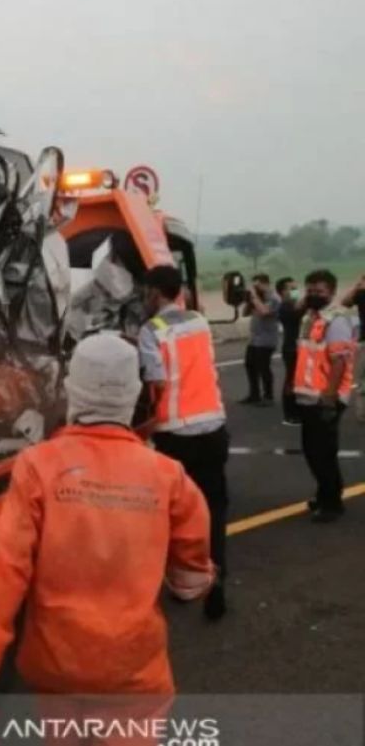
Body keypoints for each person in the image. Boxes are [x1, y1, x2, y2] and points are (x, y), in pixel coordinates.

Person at [0, 333, 214, 746]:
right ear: (132, 395)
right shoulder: (168, 476)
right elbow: (191, 576)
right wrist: (197, 581)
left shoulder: (37, 466)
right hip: (130, 670)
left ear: (73, 390)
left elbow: (6, 569)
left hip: (56, 665)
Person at [138, 265, 230, 620]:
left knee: (177, 514)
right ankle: (217, 580)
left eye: (146, 292)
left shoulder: (151, 331)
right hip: (213, 426)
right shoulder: (199, 322)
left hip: (175, 434)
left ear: (154, 292)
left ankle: (184, 582)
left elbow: (157, 384)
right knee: (214, 508)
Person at [298, 270, 358, 522]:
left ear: (332, 293)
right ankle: (324, 495)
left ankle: (332, 503)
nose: (313, 295)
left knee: (322, 453)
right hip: (309, 396)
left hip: (326, 397)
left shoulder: (336, 320)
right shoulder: (311, 318)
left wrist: (329, 397)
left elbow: (339, 363)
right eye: (310, 290)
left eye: (319, 291)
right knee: (313, 451)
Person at [240, 272, 281, 405]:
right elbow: (244, 314)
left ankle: (268, 397)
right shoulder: (258, 298)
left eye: (258, 285)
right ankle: (254, 394)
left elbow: (264, 312)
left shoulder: (274, 298)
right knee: (250, 365)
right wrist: (249, 300)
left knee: (263, 367)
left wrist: (254, 297)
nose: (256, 288)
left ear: (266, 284)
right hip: (254, 339)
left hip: (267, 339)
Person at [338, 273, 365, 422]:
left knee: (362, 379)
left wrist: (357, 285)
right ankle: (362, 413)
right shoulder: (361, 294)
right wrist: (357, 286)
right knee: (362, 380)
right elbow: (345, 302)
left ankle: (362, 413)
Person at [277, 277, 304, 426]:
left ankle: (297, 411)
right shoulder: (285, 307)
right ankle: (289, 414)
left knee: (297, 381)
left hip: (298, 346)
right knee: (291, 381)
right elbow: (296, 315)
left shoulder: (294, 305)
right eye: (291, 289)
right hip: (290, 348)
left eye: (296, 288)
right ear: (282, 292)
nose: (295, 292)